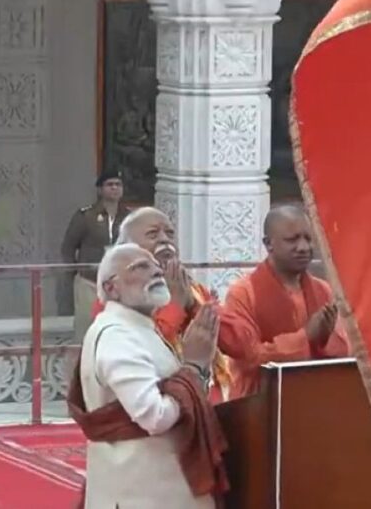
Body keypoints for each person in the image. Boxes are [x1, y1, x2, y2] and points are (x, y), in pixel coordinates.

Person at [68, 243, 228, 509]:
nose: (156, 271)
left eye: (155, 266)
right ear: (111, 288)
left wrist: (198, 366)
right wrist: (193, 365)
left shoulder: (139, 328)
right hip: (141, 495)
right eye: (140, 267)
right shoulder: (117, 335)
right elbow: (154, 416)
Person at [91, 207, 232, 401]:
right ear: (127, 249)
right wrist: (175, 305)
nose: (165, 239)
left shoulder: (192, 289)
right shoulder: (114, 299)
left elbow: (236, 343)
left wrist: (194, 305)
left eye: (170, 234)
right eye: (153, 234)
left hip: (208, 403)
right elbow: (142, 351)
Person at [219, 205, 351, 399]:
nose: (304, 247)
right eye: (292, 239)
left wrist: (323, 339)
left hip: (315, 401)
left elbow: (344, 350)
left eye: (307, 238)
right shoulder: (243, 293)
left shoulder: (322, 290)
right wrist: (306, 336)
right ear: (268, 244)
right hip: (258, 405)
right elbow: (250, 357)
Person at [61, 168, 131, 341]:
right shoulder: (86, 216)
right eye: (110, 184)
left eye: (118, 184)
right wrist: (73, 274)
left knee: (117, 331)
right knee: (86, 330)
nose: (114, 188)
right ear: (100, 189)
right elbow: (68, 247)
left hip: (119, 284)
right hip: (89, 281)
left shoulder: (128, 218)